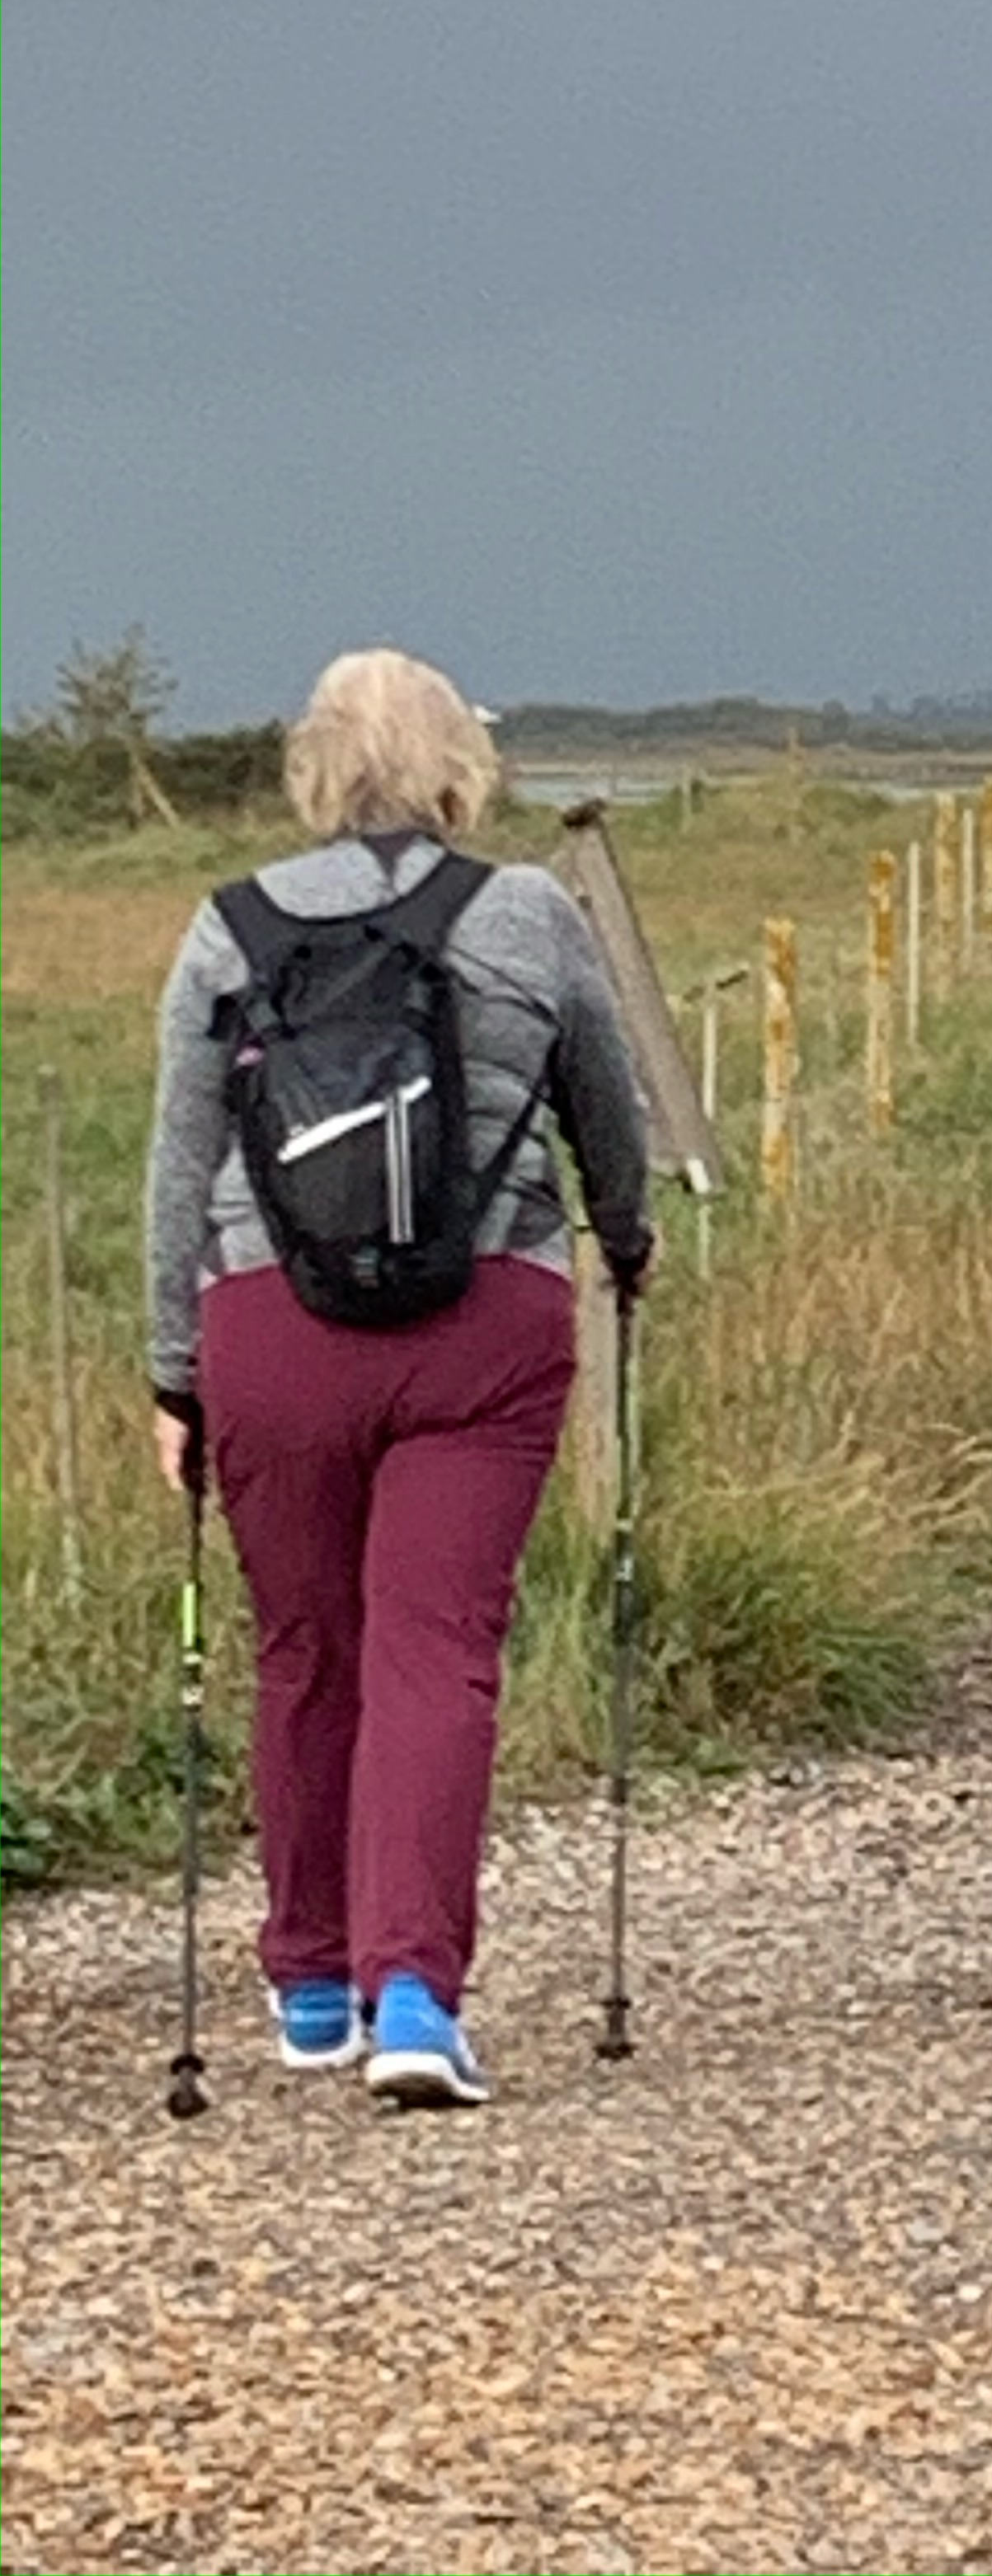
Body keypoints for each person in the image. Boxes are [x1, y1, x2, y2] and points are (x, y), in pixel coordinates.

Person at [146, 647, 653, 2106]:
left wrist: (174, 1376)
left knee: (302, 1650)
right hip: (482, 1323)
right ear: (454, 768)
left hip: (270, 1325)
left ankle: (309, 1981)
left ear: (314, 764)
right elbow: (605, 1118)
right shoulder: (529, 916)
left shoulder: (227, 930)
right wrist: (624, 1240)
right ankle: (416, 1996)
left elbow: (177, 1173)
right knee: (437, 1647)